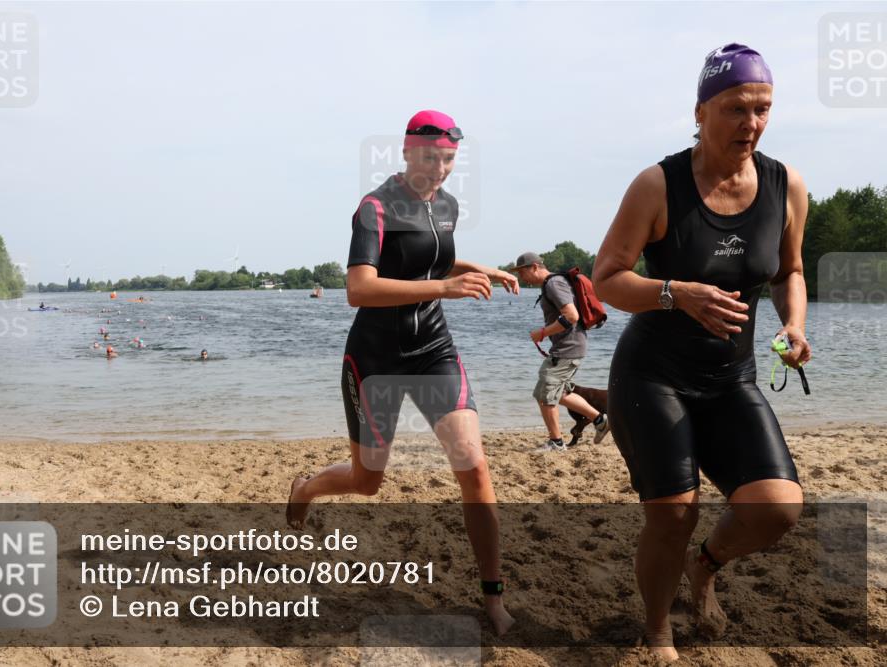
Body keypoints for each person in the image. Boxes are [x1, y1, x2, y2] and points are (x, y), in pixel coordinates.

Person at [592, 44, 810, 662]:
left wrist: (793, 325)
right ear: (701, 111)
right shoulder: (658, 184)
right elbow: (606, 278)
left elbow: (789, 270)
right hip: (653, 376)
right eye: (735, 108)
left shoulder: (785, 184)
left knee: (777, 509)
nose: (751, 122)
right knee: (672, 513)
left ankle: (705, 568)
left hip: (731, 376)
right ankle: (658, 629)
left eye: (762, 109)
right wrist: (673, 292)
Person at [286, 110, 518, 635]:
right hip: (374, 358)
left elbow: (431, 259)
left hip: (434, 348)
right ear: (407, 153)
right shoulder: (374, 208)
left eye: (449, 160)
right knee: (368, 482)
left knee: (475, 469)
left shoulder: (448, 205)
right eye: (431, 158)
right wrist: (445, 288)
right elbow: (360, 289)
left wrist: (480, 268)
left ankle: (493, 596)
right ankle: (306, 488)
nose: (440, 169)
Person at [510, 252, 609, 451]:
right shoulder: (553, 283)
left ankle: (556, 442)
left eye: (522, 272)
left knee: (546, 394)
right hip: (569, 347)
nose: (522, 277)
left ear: (535, 267)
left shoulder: (553, 284)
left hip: (568, 349)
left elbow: (571, 315)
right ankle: (600, 421)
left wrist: (543, 333)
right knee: (555, 392)